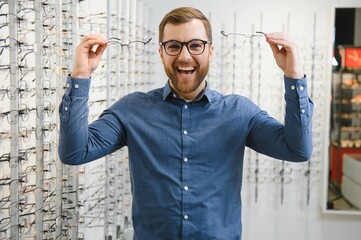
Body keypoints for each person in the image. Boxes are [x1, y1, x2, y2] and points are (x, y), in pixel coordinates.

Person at [58, 6, 313, 240]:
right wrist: (81, 75)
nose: (185, 56)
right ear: (161, 53)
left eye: (195, 45)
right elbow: (75, 152)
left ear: (210, 51)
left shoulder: (239, 112)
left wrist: (294, 76)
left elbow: (297, 150)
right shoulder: (131, 110)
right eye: (173, 46)